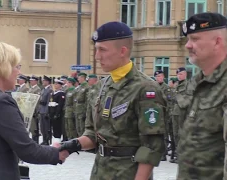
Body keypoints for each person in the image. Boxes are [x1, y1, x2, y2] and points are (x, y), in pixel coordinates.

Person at [58, 21, 166, 180]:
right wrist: (70, 146)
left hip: (128, 173)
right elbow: (92, 134)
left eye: (102, 50)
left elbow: (152, 146)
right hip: (100, 171)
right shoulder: (101, 87)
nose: (97, 56)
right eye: (96, 49)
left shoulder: (145, 88)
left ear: (122, 51)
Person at [0, 42, 68, 180]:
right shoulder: (1, 102)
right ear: (5, 68)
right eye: (17, 66)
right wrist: (57, 153)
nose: (19, 72)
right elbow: (28, 151)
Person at [177, 12, 227, 179]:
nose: (188, 45)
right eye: (188, 39)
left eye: (195, 39)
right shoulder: (196, 82)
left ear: (217, 42)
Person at [38, 75, 53, 145]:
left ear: (47, 82)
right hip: (42, 110)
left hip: (46, 111)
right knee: (42, 127)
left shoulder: (50, 90)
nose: (43, 82)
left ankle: (47, 140)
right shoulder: (43, 89)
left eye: (44, 81)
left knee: (46, 127)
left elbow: (49, 102)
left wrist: (47, 112)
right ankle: (44, 139)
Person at [28, 75, 42, 143]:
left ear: (36, 81)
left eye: (32, 80)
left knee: (34, 128)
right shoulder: (31, 89)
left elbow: (37, 101)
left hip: (34, 111)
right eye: (30, 80)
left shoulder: (37, 89)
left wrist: (35, 111)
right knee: (31, 127)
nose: (31, 81)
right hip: (30, 109)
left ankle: (36, 142)